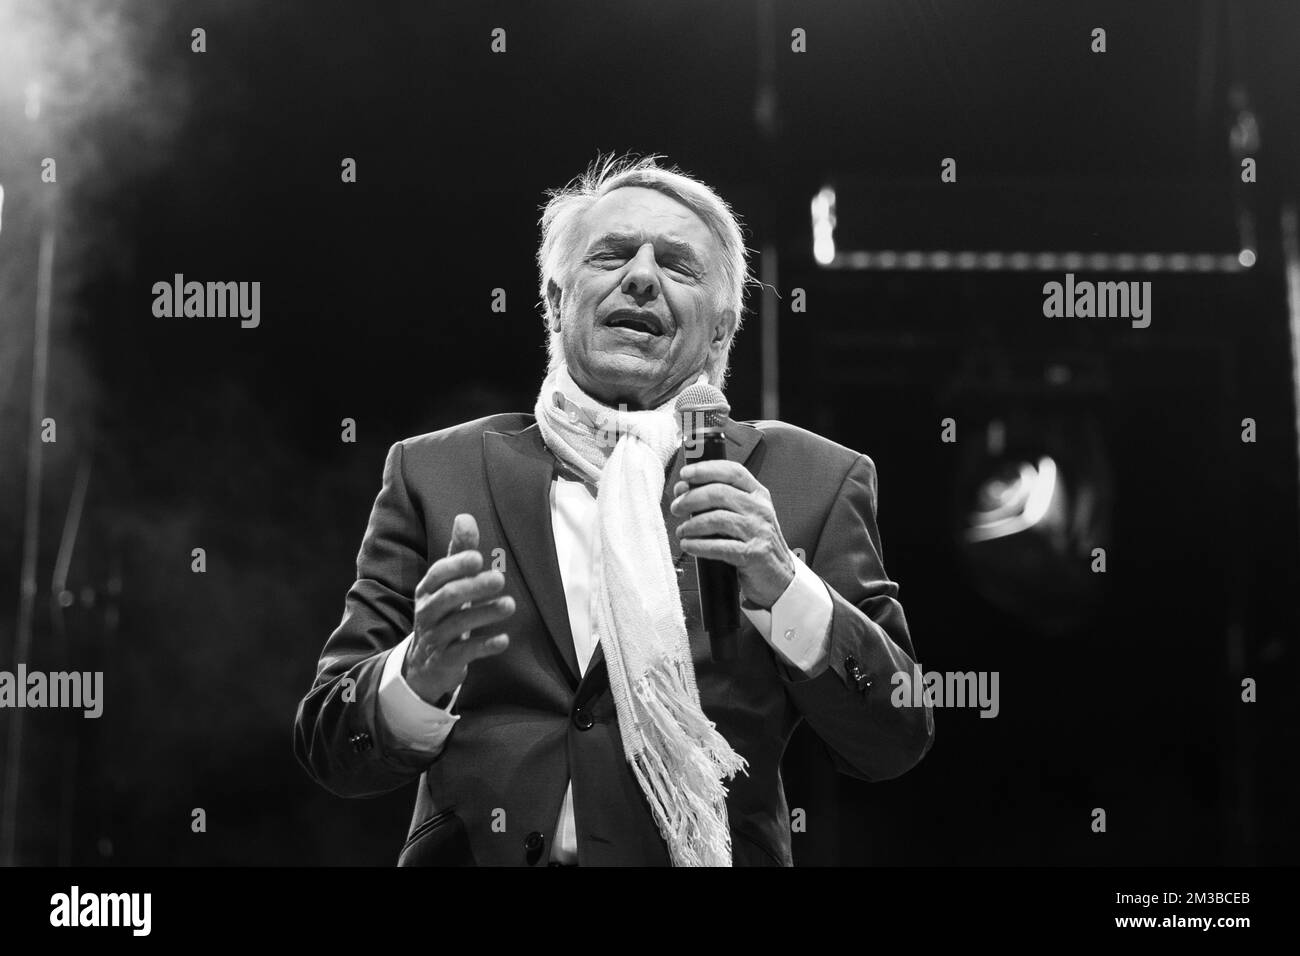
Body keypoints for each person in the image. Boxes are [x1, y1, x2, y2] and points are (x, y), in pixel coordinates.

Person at [293, 154, 934, 866]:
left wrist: (786, 586)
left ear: (722, 331)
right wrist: (419, 672)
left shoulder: (811, 479)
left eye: (678, 266)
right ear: (556, 300)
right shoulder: (435, 471)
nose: (640, 276)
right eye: (612, 254)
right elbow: (331, 747)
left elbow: (894, 736)